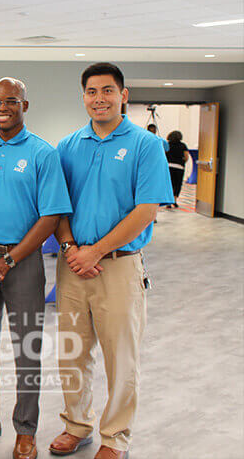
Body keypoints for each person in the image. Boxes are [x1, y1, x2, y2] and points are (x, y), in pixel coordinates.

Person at [50, 63, 173, 459]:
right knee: (72, 352)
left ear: (124, 94)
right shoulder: (68, 146)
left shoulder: (144, 144)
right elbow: (57, 207)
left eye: (107, 90)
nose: (98, 98)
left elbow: (146, 209)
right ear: (83, 96)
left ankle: (115, 437)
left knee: (121, 357)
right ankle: (76, 425)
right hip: (73, 266)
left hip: (118, 265)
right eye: (91, 91)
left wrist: (96, 251)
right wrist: (70, 249)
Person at [0, 78, 72, 459]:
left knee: (26, 348)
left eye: (10, 101)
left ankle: (26, 429)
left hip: (22, 265)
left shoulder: (43, 153)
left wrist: (8, 259)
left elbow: (51, 216)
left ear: (25, 104)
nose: (2, 107)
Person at [166, 130, 190, 207]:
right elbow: (186, 157)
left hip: (168, 166)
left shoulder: (167, 145)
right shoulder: (183, 145)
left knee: (169, 184)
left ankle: (168, 202)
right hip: (179, 167)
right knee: (177, 184)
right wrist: (182, 162)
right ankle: (174, 200)